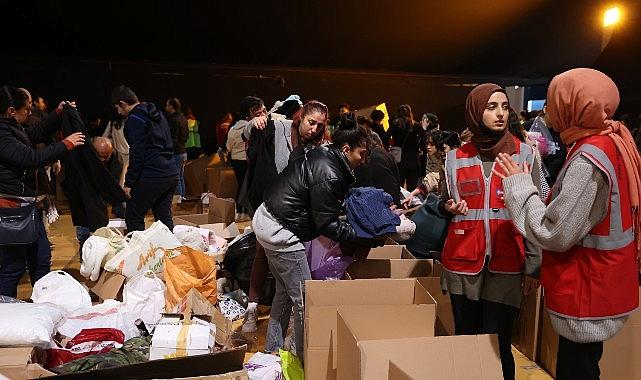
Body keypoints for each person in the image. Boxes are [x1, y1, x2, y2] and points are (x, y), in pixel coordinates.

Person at [495, 68, 641, 380]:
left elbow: (555, 231)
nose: (549, 110)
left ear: (574, 106)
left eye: (555, 102)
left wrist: (520, 186)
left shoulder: (589, 159)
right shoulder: (612, 142)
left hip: (586, 291)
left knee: (577, 370)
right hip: (602, 285)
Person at [439, 83, 542, 380]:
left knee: (499, 345)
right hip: (462, 263)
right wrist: (448, 207)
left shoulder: (525, 155)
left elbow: (535, 212)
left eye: (505, 107)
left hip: (507, 264)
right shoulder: (455, 157)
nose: (500, 114)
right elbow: (444, 202)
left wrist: (534, 266)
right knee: (466, 341)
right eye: (491, 107)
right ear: (475, 111)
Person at [252, 119, 372, 360]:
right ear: (346, 149)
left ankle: (272, 351)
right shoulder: (330, 173)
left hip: (267, 218)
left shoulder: (326, 154)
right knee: (307, 301)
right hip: (280, 232)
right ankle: (303, 358)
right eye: (362, 153)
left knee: (284, 293)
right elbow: (326, 224)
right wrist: (363, 236)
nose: (363, 159)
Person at [241, 98, 322, 333]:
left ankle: (280, 332)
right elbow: (246, 134)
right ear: (299, 117)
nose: (313, 128)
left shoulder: (314, 145)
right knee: (262, 252)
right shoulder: (277, 128)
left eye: (319, 125)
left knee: (287, 269)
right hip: (267, 204)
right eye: (310, 122)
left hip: (293, 209)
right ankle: (253, 306)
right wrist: (254, 122)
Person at [0, 86, 84, 297]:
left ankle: (42, 305)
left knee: (41, 258)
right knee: (13, 267)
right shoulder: (2, 134)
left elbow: (34, 134)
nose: (30, 112)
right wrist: (66, 144)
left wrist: (58, 113)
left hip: (28, 208)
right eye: (27, 108)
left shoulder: (14, 127)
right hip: (12, 211)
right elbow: (30, 157)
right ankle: (6, 314)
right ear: (11, 111)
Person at [111, 85, 178, 232]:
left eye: (118, 107)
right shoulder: (157, 114)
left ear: (123, 104)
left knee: (133, 215)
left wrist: (128, 183)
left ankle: (138, 254)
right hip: (171, 172)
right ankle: (170, 253)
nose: (119, 112)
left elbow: (138, 154)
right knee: (164, 218)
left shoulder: (134, 120)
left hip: (153, 174)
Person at [228, 96, 266, 217]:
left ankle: (239, 212)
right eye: (258, 113)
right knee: (249, 187)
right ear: (248, 117)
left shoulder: (232, 130)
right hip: (247, 161)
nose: (263, 115)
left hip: (236, 160)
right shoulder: (252, 128)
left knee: (241, 185)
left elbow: (228, 146)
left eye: (264, 111)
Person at [353, 119, 401, 206]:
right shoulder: (385, 153)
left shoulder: (361, 159)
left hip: (378, 209)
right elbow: (397, 183)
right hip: (393, 203)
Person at [388, 104, 423, 189]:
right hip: (413, 159)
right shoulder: (415, 125)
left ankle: (401, 202)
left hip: (399, 159)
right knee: (412, 187)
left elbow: (386, 136)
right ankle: (411, 201)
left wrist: (392, 145)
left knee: (399, 187)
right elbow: (423, 137)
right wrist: (417, 146)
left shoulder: (395, 124)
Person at [103, 114, 129, 218]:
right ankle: (125, 212)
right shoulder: (130, 122)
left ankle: (118, 211)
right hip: (130, 155)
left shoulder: (113, 123)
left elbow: (105, 137)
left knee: (117, 185)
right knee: (126, 184)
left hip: (118, 156)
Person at [165, 97, 189, 199]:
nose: (165, 107)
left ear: (171, 106)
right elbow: (186, 136)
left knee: (176, 178)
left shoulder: (173, 119)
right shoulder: (183, 118)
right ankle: (182, 198)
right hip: (183, 152)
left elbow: (172, 138)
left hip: (176, 153)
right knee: (181, 177)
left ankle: (178, 201)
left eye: (167, 105)